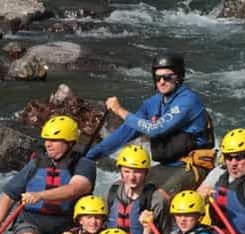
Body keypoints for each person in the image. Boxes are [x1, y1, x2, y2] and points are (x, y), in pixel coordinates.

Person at [86, 52, 215, 199]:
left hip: (192, 167)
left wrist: (120, 111)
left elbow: (156, 129)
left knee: (158, 198)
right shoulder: (152, 103)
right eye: (157, 77)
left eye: (167, 77)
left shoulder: (188, 101)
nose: (161, 82)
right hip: (167, 166)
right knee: (119, 191)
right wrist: (90, 156)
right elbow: (125, 132)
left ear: (179, 77)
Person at [0, 115, 97, 234]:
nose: (48, 144)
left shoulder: (85, 165)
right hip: (32, 225)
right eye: (46, 139)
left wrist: (40, 195)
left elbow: (75, 188)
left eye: (54, 140)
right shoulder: (37, 163)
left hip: (68, 229)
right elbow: (8, 195)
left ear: (69, 143)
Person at [106, 144, 170, 234]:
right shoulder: (113, 191)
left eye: (137, 172)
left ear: (146, 172)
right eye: (126, 171)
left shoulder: (156, 199)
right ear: (120, 171)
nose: (131, 177)